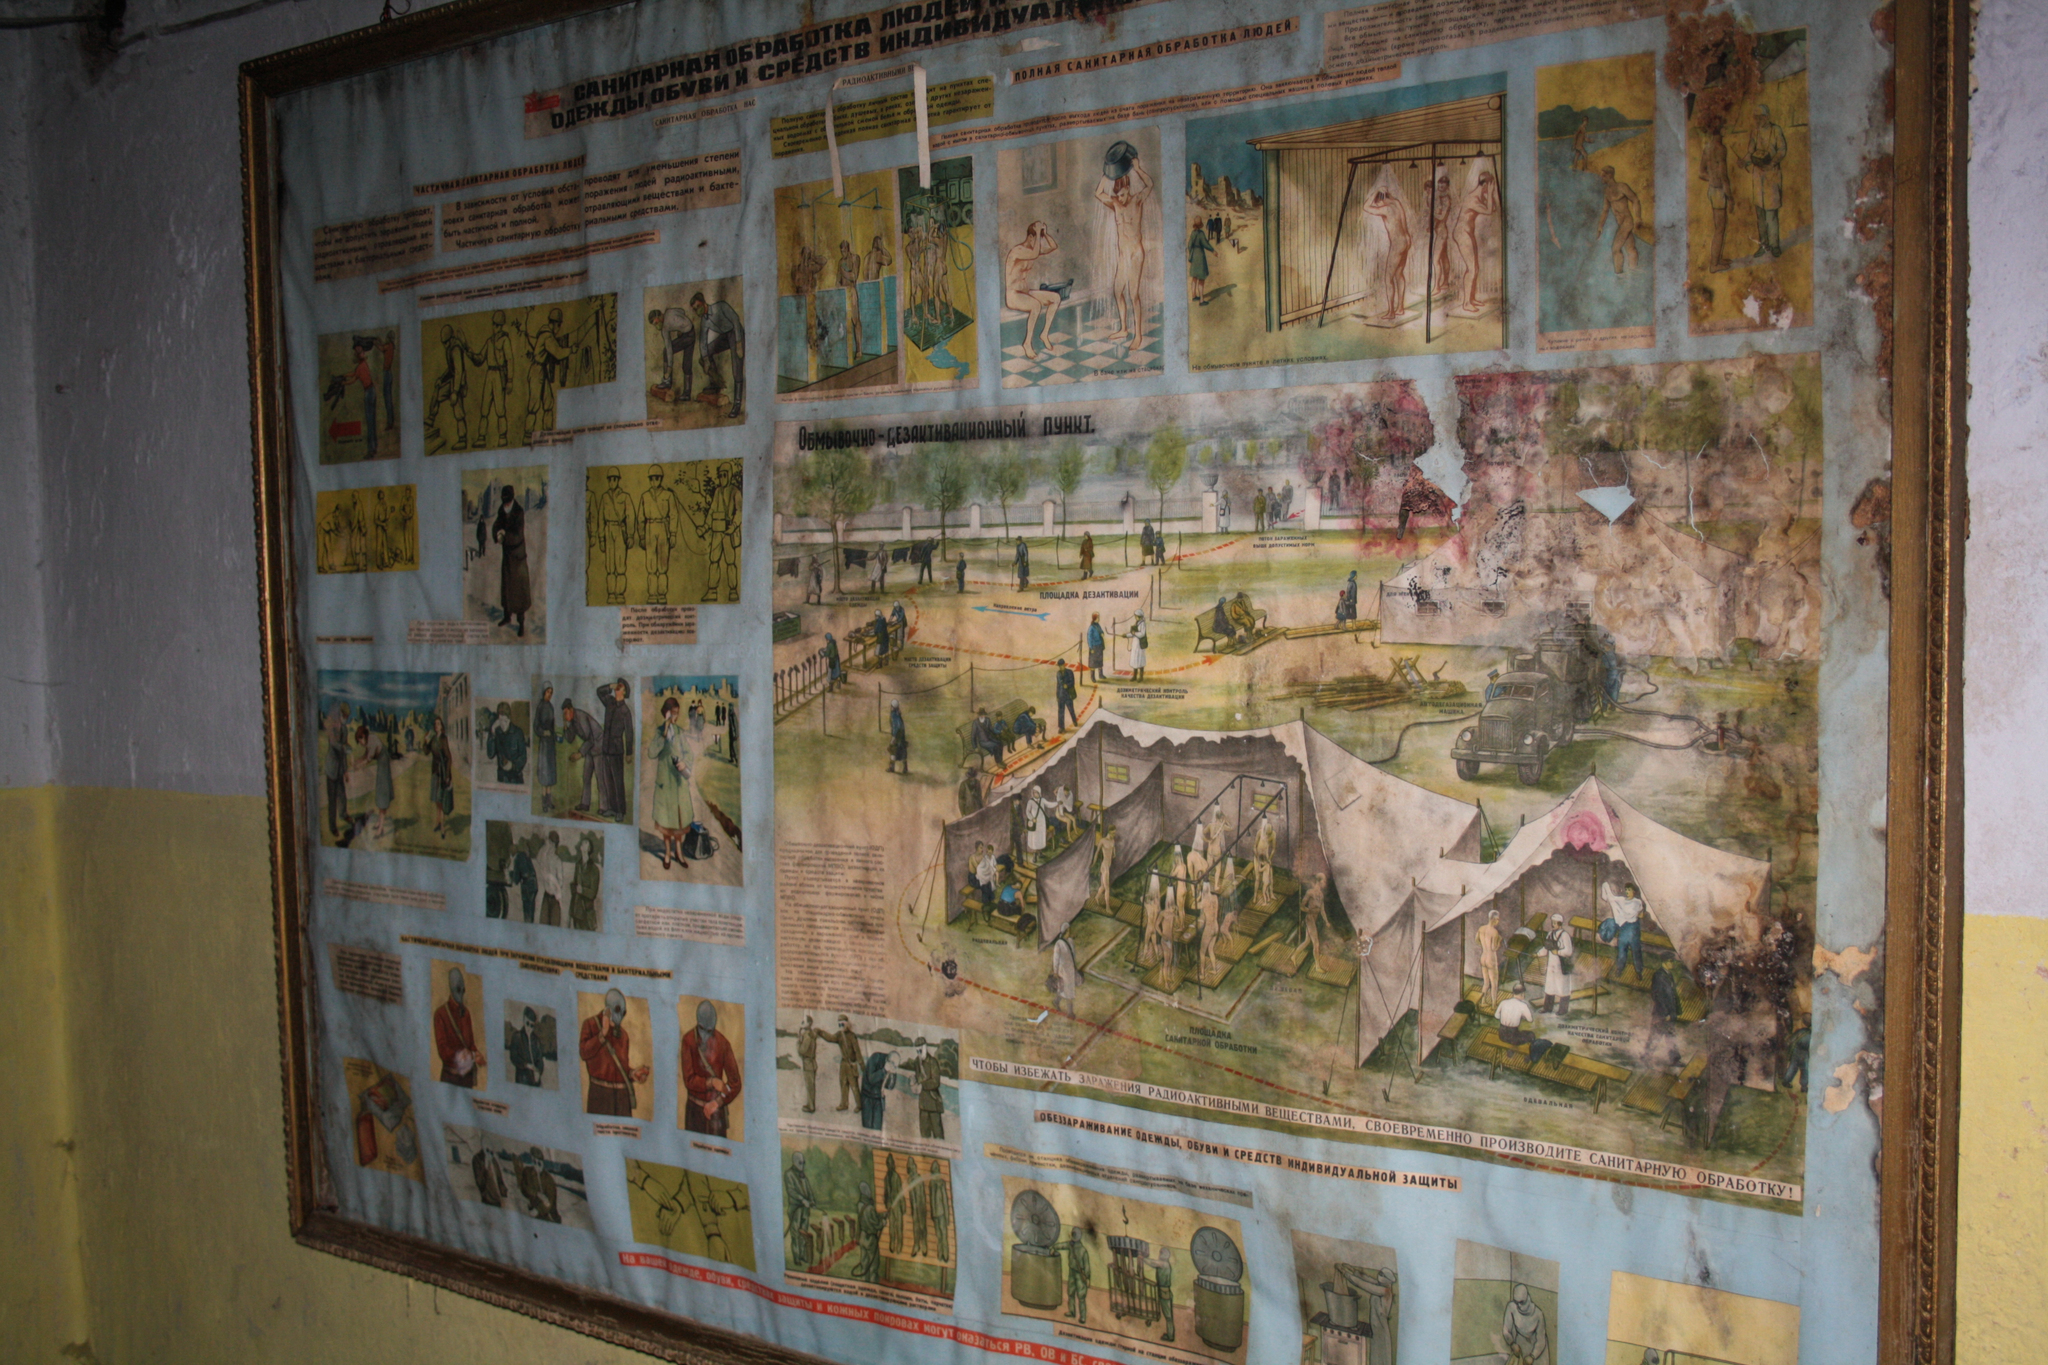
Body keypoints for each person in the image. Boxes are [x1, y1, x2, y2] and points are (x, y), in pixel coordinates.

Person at [1095, 140, 1153, 346]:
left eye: (1122, 194)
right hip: (1123, 256)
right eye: (1117, 195)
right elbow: (1098, 193)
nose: (1120, 198)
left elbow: (1150, 185)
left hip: (1135, 253)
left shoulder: (1137, 200)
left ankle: (1138, 335)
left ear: (1128, 188)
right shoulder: (1115, 204)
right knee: (1117, 291)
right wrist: (1106, 174)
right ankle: (1123, 328)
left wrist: (1138, 168)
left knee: (1133, 294)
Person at [578, 987, 649, 1116]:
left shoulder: (623, 1035)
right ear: (608, 1009)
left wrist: (633, 1073)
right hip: (601, 1097)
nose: (620, 1015)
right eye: (617, 1009)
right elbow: (584, 1053)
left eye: (623, 1012)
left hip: (622, 1100)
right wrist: (602, 1034)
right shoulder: (591, 1025)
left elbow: (620, 1068)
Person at [680, 1000, 743, 1136]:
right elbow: (689, 1080)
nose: (705, 1036)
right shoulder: (688, 1040)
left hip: (716, 1113)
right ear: (698, 1023)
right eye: (702, 1029)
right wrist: (712, 1082)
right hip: (694, 1112)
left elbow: (735, 1083)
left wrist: (717, 1102)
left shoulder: (723, 1043)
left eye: (709, 1031)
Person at [1004, 220, 1064, 360]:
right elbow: (1034, 254)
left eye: (1040, 239)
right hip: (1013, 295)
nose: (1039, 242)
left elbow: (1053, 246)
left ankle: (1044, 334)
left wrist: (1045, 233)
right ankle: (1027, 343)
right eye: (1036, 238)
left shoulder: (1033, 251)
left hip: (1025, 293)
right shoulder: (1018, 251)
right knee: (1036, 305)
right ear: (1030, 237)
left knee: (1055, 298)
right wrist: (1037, 232)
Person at [1360, 183, 1413, 322]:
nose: (1376, 205)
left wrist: (1377, 191)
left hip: (1398, 243)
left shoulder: (1386, 209)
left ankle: (1391, 312)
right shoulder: (1396, 203)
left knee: (1388, 278)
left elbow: (1366, 207)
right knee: (1399, 274)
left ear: (1380, 199)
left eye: (1377, 202)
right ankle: (1400, 308)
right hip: (1406, 241)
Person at [652, 696, 693, 869]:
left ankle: (679, 852)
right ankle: (668, 853)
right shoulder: (659, 732)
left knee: (679, 820)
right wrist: (664, 732)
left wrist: (684, 763)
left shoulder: (680, 732)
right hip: (665, 784)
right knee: (666, 821)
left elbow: (689, 753)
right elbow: (651, 753)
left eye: (677, 713)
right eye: (672, 713)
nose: (675, 716)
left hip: (678, 783)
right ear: (666, 713)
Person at [1451, 168, 1500, 315]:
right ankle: (1466, 303)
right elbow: (1489, 211)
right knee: (1471, 269)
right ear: (1484, 185)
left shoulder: (1480, 196)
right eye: (1490, 186)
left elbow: (1493, 208)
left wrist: (1490, 195)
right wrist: (1490, 194)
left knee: (1475, 268)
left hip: (1468, 233)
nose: (1491, 189)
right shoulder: (1472, 199)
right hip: (1462, 234)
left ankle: (1471, 298)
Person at [1746, 102, 1788, 258]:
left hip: (1771, 175)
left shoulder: (1776, 130)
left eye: (1760, 117)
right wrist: (1745, 161)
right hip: (1758, 177)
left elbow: (1782, 150)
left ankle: (1775, 245)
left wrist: (1772, 162)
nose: (1757, 120)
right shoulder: (1755, 131)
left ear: (1767, 117)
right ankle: (1763, 245)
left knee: (1771, 213)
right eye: (1755, 117)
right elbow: (1750, 151)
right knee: (1760, 214)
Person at [637, 466, 684, 604]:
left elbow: (674, 515)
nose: (654, 481)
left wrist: (673, 534)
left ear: (661, 479)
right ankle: (652, 594)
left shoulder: (668, 495)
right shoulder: (645, 496)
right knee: (651, 565)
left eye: (657, 478)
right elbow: (640, 518)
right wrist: (641, 536)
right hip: (649, 528)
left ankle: (662, 594)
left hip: (663, 528)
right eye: (652, 478)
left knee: (663, 564)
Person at [592, 470, 636, 604]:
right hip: (608, 530)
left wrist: (630, 535)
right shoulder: (605, 497)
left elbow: (630, 516)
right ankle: (611, 593)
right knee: (610, 566)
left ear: (618, 480)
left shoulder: (625, 497)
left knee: (620, 565)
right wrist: (601, 538)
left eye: (615, 479)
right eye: (610, 479)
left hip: (620, 530)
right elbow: (600, 518)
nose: (612, 482)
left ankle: (620, 593)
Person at [1594, 164, 1646, 275]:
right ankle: (1633, 270)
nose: (1601, 178)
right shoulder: (1607, 191)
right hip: (1620, 222)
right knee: (1630, 247)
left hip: (1627, 221)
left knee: (1615, 249)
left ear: (1609, 175)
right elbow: (1605, 210)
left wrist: (1638, 217)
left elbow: (1635, 200)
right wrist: (1600, 227)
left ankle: (1619, 274)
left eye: (1603, 176)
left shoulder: (1622, 187)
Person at [433, 967, 480, 1087]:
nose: (461, 994)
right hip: (451, 1078)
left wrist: (477, 1054)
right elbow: (443, 1050)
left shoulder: (466, 1013)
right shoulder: (441, 1014)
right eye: (458, 989)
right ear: (452, 987)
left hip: (467, 1078)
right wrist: (462, 1056)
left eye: (463, 990)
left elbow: (470, 1044)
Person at [596, 679, 634, 820]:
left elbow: (629, 733)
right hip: (606, 748)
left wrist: (629, 752)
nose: (617, 688)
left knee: (618, 782)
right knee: (608, 781)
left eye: (620, 687)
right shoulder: (609, 702)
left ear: (624, 692)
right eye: (617, 686)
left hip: (617, 750)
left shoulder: (625, 711)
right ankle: (612, 808)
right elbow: (599, 692)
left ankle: (620, 811)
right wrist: (610, 686)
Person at [1699, 121, 1733, 271]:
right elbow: (1724, 177)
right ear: (1720, 129)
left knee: (1719, 227)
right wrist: (1730, 198)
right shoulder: (1720, 149)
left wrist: (1711, 179)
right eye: (1724, 126)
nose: (1727, 129)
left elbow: (1701, 173)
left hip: (1712, 190)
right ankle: (1714, 264)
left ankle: (1717, 258)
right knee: (1720, 228)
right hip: (1719, 192)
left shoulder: (1707, 147)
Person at [559, 696, 601, 812]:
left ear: (571, 709)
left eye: (566, 713)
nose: (565, 716)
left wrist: (579, 754)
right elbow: (570, 739)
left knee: (600, 778)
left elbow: (591, 738)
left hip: (598, 746)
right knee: (586, 777)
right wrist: (565, 725)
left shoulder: (581, 717)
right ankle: (585, 804)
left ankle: (603, 807)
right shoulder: (573, 722)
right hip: (589, 748)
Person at [647, 302, 696, 400]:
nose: (656, 326)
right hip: (686, 334)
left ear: (659, 317)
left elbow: (686, 323)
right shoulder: (664, 329)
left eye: (656, 323)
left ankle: (671, 384)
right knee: (670, 354)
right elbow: (682, 311)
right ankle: (682, 391)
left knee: (686, 365)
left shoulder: (671, 318)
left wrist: (681, 330)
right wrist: (669, 368)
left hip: (689, 335)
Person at [1602, 880, 1648, 980]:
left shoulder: (1637, 902)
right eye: (1626, 890)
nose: (1627, 892)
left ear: (1634, 892)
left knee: (1636, 951)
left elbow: (1640, 914)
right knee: (1622, 950)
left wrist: (1636, 915)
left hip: (1633, 929)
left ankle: (1639, 971)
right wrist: (1606, 888)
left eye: (1629, 890)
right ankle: (1620, 969)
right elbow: (1612, 899)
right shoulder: (1622, 900)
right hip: (1624, 928)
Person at [1501, 1282, 1549, 1364]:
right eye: (1517, 1302)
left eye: (1521, 1302)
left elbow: (1541, 1340)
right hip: (1521, 1346)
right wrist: (1512, 1343)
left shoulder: (1538, 1314)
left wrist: (1532, 1356)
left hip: (1537, 1349)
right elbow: (1506, 1330)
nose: (1519, 1305)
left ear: (1527, 1298)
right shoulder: (1511, 1307)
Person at [783, 1151, 817, 1268]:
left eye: (803, 1162)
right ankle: (797, 1258)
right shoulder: (789, 1174)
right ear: (794, 1162)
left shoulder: (803, 1175)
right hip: (795, 1209)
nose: (802, 1165)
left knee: (804, 1233)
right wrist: (802, 1200)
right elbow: (791, 1191)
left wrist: (812, 1201)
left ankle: (802, 1255)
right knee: (796, 1234)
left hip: (805, 1210)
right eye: (800, 1162)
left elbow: (809, 1189)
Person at [321, 706, 351, 839]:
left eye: (347, 717)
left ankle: (343, 814)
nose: (345, 719)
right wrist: (344, 747)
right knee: (332, 799)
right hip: (331, 769)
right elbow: (334, 744)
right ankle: (332, 826)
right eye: (344, 716)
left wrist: (345, 771)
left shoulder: (344, 730)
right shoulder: (332, 728)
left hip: (339, 769)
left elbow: (344, 754)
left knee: (342, 795)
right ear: (340, 715)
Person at [1538, 913, 1575, 1016]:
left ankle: (1563, 1010)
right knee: (1550, 987)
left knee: (1562, 988)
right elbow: (1546, 948)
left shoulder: (1565, 935)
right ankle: (1547, 1008)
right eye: (1552, 922)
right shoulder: (1550, 934)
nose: (1552, 925)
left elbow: (1569, 951)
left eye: (1554, 923)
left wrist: (1558, 952)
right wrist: (1538, 954)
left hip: (1561, 966)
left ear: (1560, 924)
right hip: (1551, 965)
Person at [425, 715, 455, 839]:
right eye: (435, 724)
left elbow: (449, 758)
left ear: (442, 726)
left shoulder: (443, 739)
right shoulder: (433, 739)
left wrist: (447, 775)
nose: (437, 726)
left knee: (441, 800)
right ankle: (438, 822)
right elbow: (426, 752)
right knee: (437, 800)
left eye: (439, 724)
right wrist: (426, 740)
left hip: (442, 773)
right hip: (435, 772)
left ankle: (442, 827)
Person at [485, 703, 526, 786]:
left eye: (505, 721)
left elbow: (523, 757)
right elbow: (490, 754)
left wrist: (512, 766)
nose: (503, 724)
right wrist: (492, 732)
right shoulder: (497, 732)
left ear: (509, 719)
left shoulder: (518, 733)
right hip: (501, 778)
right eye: (500, 721)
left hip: (516, 779)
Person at [913, 1041, 946, 1139]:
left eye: (920, 1050)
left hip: (933, 1103)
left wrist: (922, 1085)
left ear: (925, 1048)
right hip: (923, 1104)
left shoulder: (933, 1062)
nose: (919, 1053)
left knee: (938, 1134)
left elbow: (936, 1082)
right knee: (924, 1135)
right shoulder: (917, 1062)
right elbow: (918, 1078)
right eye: (917, 1051)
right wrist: (913, 1082)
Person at [365, 723, 394, 837]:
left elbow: (367, 759)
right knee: (380, 795)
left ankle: (381, 828)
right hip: (382, 766)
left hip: (383, 767)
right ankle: (379, 822)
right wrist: (357, 762)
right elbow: (365, 755)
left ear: (363, 737)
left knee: (382, 797)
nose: (360, 744)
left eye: (359, 740)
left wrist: (358, 765)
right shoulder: (370, 739)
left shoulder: (372, 742)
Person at [569, 833, 601, 930]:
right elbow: (574, 885)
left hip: (587, 914)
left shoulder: (594, 869)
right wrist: (573, 887)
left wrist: (582, 890)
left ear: (589, 848)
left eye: (586, 843)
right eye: (582, 843)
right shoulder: (578, 865)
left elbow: (593, 893)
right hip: (576, 912)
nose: (582, 844)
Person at [832, 1014, 863, 1112]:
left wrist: (862, 1066)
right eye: (839, 1024)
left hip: (851, 1064)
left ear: (847, 1024)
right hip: (843, 1064)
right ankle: (844, 1104)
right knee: (843, 1084)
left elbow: (857, 1052)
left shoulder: (852, 1036)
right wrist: (820, 1032)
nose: (841, 1026)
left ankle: (859, 1105)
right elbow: (830, 1038)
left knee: (854, 1086)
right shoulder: (839, 1035)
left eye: (842, 1024)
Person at [533, 685, 557, 810]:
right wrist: (543, 732)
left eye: (551, 692)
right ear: (544, 692)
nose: (549, 694)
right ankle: (544, 803)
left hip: (551, 744)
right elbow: (536, 726)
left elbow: (552, 726)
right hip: (544, 744)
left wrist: (554, 735)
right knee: (544, 774)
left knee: (551, 773)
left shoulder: (551, 707)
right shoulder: (540, 707)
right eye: (548, 692)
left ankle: (549, 801)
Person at [854, 1182, 885, 1282]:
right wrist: (883, 1222)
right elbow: (877, 1224)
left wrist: (881, 1215)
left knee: (864, 1263)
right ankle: (873, 1284)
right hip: (870, 1238)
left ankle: (864, 1282)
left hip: (863, 1236)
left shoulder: (860, 1205)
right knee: (873, 1264)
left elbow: (868, 1218)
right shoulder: (870, 1208)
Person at [509, 1006, 547, 1087]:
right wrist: (526, 1065)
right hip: (522, 1080)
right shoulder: (517, 1037)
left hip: (536, 1082)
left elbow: (540, 1060)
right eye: (527, 1023)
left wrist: (539, 1072)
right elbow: (513, 1057)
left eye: (532, 1025)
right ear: (523, 1020)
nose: (529, 1028)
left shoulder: (536, 1040)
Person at [1064, 1227, 1092, 1323]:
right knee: (1072, 1294)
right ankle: (1074, 1313)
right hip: (1072, 1272)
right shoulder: (1075, 1247)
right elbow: (1087, 1266)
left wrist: (1087, 1277)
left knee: (1079, 1296)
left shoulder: (1082, 1250)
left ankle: (1081, 1316)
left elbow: (1086, 1267)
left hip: (1080, 1275)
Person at [859, 1048, 891, 1130]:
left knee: (877, 1127)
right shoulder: (875, 1058)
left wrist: (892, 1074)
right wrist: (884, 1070)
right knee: (867, 1127)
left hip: (878, 1098)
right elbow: (871, 1079)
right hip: (867, 1096)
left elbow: (890, 1086)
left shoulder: (892, 1064)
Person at [1477, 908, 1504, 1006]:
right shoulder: (1494, 932)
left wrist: (1485, 946)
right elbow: (1494, 948)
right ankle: (1493, 1004)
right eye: (1498, 919)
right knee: (1494, 983)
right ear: (1494, 919)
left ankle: (1483, 1001)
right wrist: (1499, 941)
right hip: (1491, 958)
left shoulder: (1481, 928)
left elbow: (1477, 940)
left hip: (1483, 957)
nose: (1498, 921)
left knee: (1486, 982)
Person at [1186, 218, 1214, 305]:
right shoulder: (1201, 233)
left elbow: (1189, 245)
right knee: (1201, 279)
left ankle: (1194, 296)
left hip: (1194, 256)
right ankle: (1201, 300)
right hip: (1200, 256)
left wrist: (1191, 254)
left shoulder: (1193, 233)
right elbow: (1205, 244)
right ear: (1201, 224)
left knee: (1194, 277)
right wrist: (1213, 250)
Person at [906, 1155, 931, 1257]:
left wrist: (922, 1208)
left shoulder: (919, 1178)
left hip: (921, 1207)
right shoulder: (909, 1180)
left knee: (922, 1227)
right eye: (909, 1167)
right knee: (916, 1227)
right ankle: (916, 1245)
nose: (911, 1169)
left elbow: (922, 1195)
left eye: (912, 1167)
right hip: (914, 1208)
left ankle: (924, 1244)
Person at [795, 1014, 820, 1112]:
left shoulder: (807, 1036)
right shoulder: (811, 1035)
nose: (802, 1023)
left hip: (808, 1064)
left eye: (804, 1021)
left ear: (809, 1024)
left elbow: (802, 1050)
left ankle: (811, 1107)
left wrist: (798, 1042)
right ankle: (810, 1104)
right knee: (811, 1086)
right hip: (811, 1063)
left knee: (810, 1087)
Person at [1051, 933, 1079, 1017]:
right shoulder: (1058, 944)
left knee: (1065, 989)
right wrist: (1055, 971)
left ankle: (1056, 1001)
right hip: (1063, 971)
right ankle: (1070, 1012)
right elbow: (1056, 958)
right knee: (1068, 990)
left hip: (1070, 970)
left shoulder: (1070, 941)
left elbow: (1073, 955)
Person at [1023, 784, 1050, 866]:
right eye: (1034, 792)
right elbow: (1027, 812)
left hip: (1041, 823)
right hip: (1034, 823)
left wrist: (1057, 803)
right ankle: (1035, 855)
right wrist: (1032, 818)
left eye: (1036, 792)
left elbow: (1049, 804)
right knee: (1035, 839)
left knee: (1040, 838)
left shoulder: (1042, 800)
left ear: (1039, 793)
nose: (1035, 794)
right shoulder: (1030, 802)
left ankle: (1040, 853)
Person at [883, 1152, 904, 1253]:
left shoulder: (896, 1177)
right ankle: (892, 1243)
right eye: (888, 1164)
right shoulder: (886, 1178)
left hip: (897, 1205)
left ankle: (899, 1245)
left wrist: (903, 1206)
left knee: (899, 1226)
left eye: (890, 1163)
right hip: (890, 1206)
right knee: (891, 1226)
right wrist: (886, 1204)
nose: (889, 1165)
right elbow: (885, 1193)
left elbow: (900, 1192)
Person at [887, 699, 910, 775]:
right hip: (901, 735)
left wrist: (894, 737)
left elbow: (896, 726)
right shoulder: (898, 713)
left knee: (893, 750)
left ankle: (892, 767)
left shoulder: (894, 715)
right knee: (902, 751)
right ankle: (905, 768)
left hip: (897, 735)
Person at [1055, 661, 1079, 732]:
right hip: (1061, 695)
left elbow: (1072, 682)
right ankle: (1061, 727)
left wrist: (1067, 685)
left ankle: (1074, 720)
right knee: (1061, 712)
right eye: (1059, 666)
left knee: (1071, 709)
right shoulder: (1058, 673)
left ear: (1064, 665)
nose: (1061, 667)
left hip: (1068, 695)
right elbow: (1058, 685)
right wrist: (1057, 695)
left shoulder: (1069, 672)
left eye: (1061, 665)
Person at [1127, 612, 1148, 682]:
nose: (1135, 617)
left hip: (1140, 644)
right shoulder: (1137, 623)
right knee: (1135, 660)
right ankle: (1134, 676)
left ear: (1139, 616)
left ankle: (1141, 677)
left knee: (1140, 661)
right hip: (1135, 644)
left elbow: (1142, 634)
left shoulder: (1142, 624)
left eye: (1136, 616)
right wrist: (1126, 635)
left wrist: (1134, 633)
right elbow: (1133, 634)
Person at [1087, 612, 1106, 682]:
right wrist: (1091, 648)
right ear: (1095, 618)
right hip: (1094, 647)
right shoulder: (1091, 627)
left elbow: (1101, 631)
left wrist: (1102, 633)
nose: (1099, 619)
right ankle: (1093, 677)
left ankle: (1101, 675)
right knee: (1093, 663)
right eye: (1098, 618)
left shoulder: (1098, 625)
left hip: (1099, 646)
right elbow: (1089, 638)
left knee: (1100, 661)